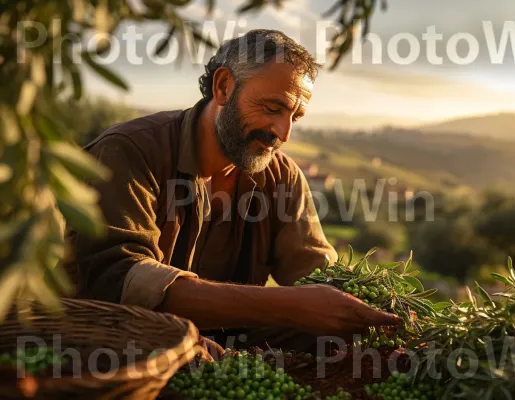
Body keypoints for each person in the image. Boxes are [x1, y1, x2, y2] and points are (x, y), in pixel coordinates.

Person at [64, 29, 400, 355]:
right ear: (224, 87)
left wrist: (378, 307)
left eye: (294, 117)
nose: (282, 133)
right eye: (272, 108)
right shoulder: (130, 151)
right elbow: (118, 279)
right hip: (112, 346)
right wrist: (285, 305)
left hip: (226, 350)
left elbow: (319, 274)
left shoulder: (282, 178)